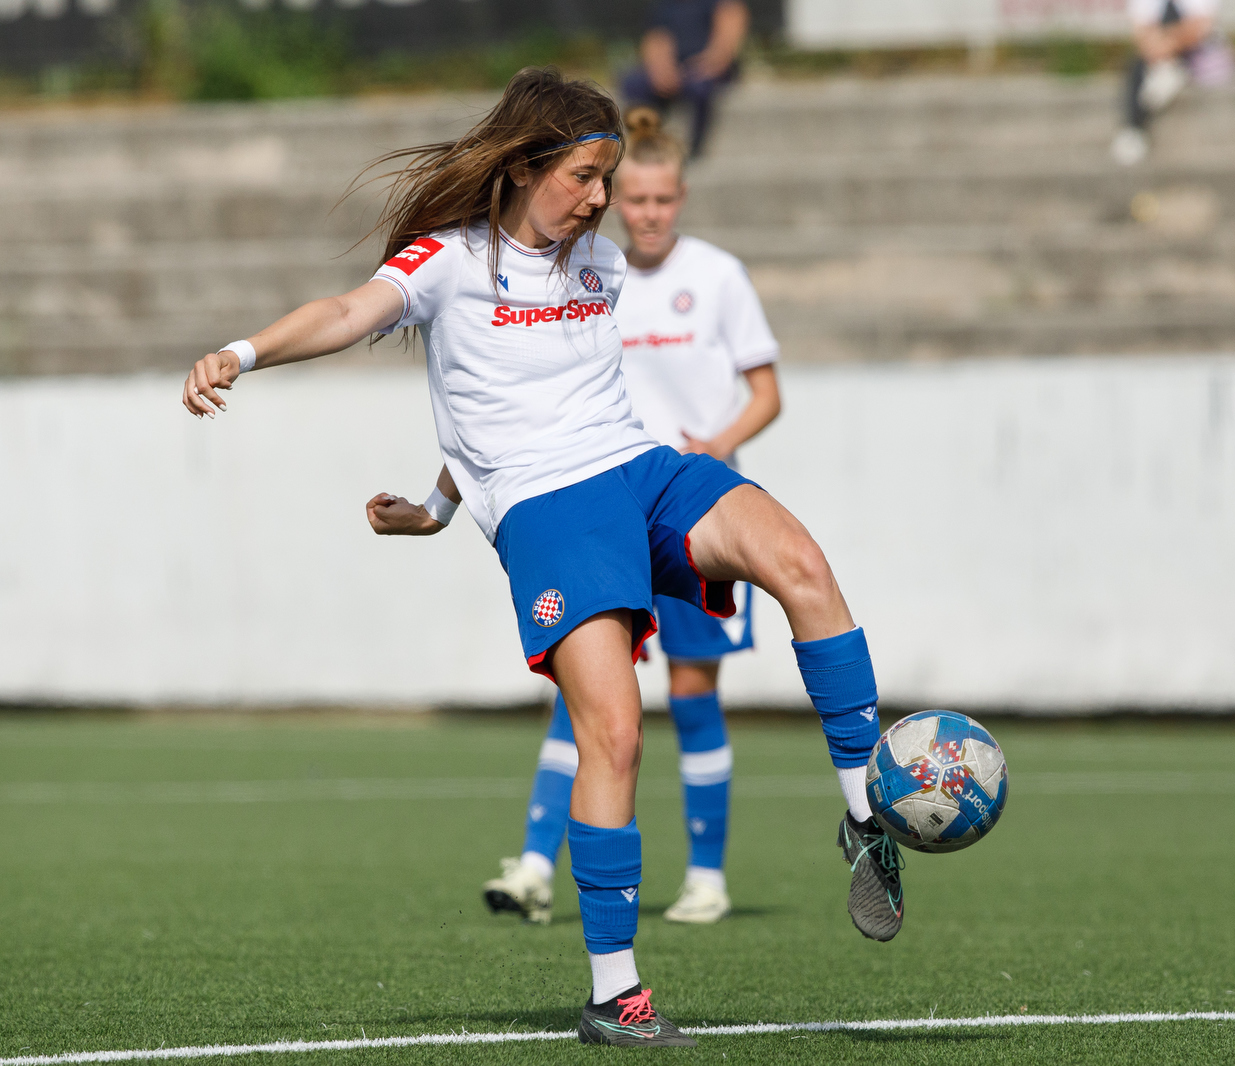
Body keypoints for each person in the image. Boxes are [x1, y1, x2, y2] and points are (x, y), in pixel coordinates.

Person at [180, 67, 902, 1049]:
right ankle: (616, 994)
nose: (600, 199)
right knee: (614, 734)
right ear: (523, 166)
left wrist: (438, 500)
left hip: (640, 467)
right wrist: (243, 353)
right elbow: (352, 315)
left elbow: (521, 397)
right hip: (548, 511)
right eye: (585, 177)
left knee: (803, 567)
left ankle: (865, 814)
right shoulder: (448, 261)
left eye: (607, 178)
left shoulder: (592, 263)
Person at [480, 106, 781, 929]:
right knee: (586, 693)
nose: (645, 213)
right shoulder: (582, 267)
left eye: (661, 200)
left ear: (680, 197)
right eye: (633, 198)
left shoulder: (717, 276)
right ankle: (537, 866)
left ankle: (707, 877)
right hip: (594, 505)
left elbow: (768, 392)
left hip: (684, 509)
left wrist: (716, 442)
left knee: (690, 692)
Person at [619, 0, 748, 158]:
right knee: (634, 84)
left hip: (709, 69)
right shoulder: (666, 5)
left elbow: (727, 38)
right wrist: (661, 70)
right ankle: (647, 143)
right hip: (675, 68)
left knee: (700, 88)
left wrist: (707, 65)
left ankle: (694, 152)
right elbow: (655, 38)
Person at [1111, 0, 1223, 166]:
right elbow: (1141, 34)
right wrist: (1159, 47)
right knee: (1136, 65)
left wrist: (1167, 43)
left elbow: (1200, 28)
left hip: (1193, 55)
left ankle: (1134, 127)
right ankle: (1167, 73)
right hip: (1155, 58)